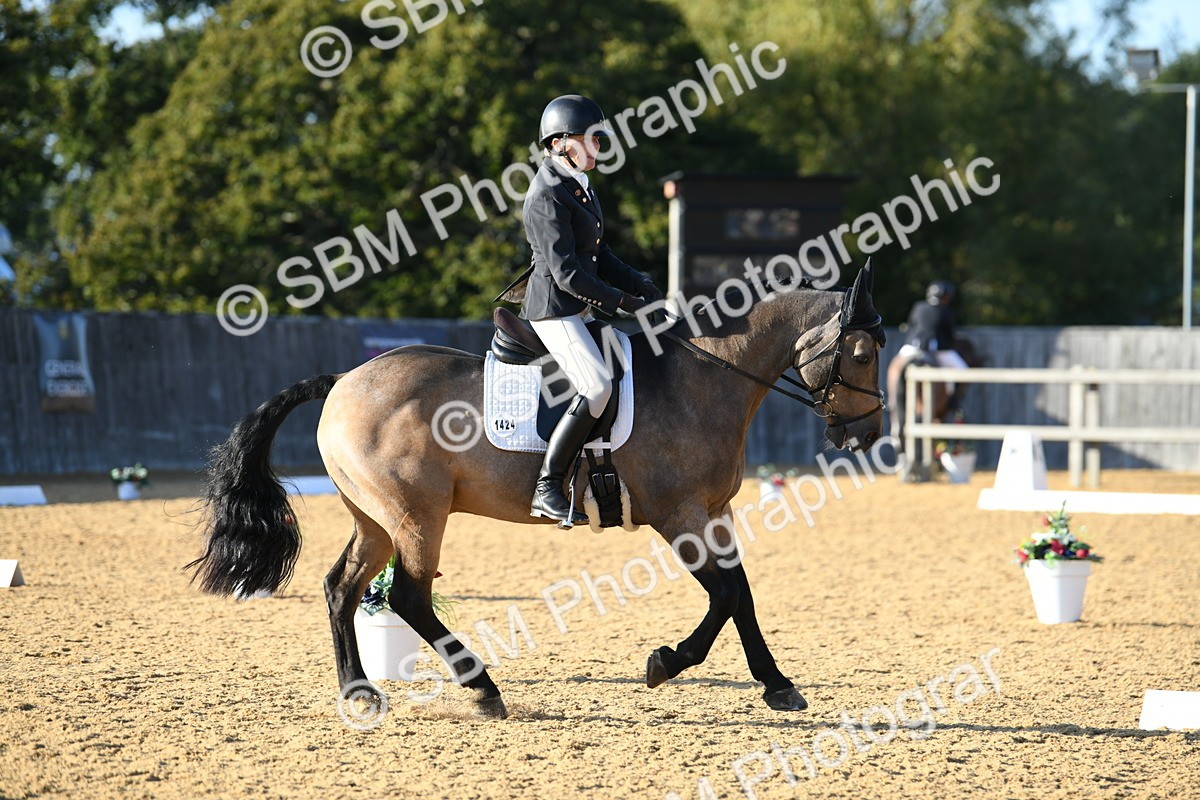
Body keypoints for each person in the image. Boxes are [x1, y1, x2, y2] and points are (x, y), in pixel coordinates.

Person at [507, 94, 662, 526]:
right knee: (596, 387)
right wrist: (625, 304)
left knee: (630, 369)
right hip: (555, 308)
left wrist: (642, 285)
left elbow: (601, 254)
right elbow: (568, 274)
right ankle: (547, 486)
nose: (599, 145)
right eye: (593, 138)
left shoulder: (579, 185)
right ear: (561, 142)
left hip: (580, 306)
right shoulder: (546, 195)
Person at [898, 279, 969, 396]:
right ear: (945, 296)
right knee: (964, 372)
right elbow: (950, 336)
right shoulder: (946, 311)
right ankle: (954, 405)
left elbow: (910, 326)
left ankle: (892, 402)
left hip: (910, 348)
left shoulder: (918, 306)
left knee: (896, 367)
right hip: (936, 350)